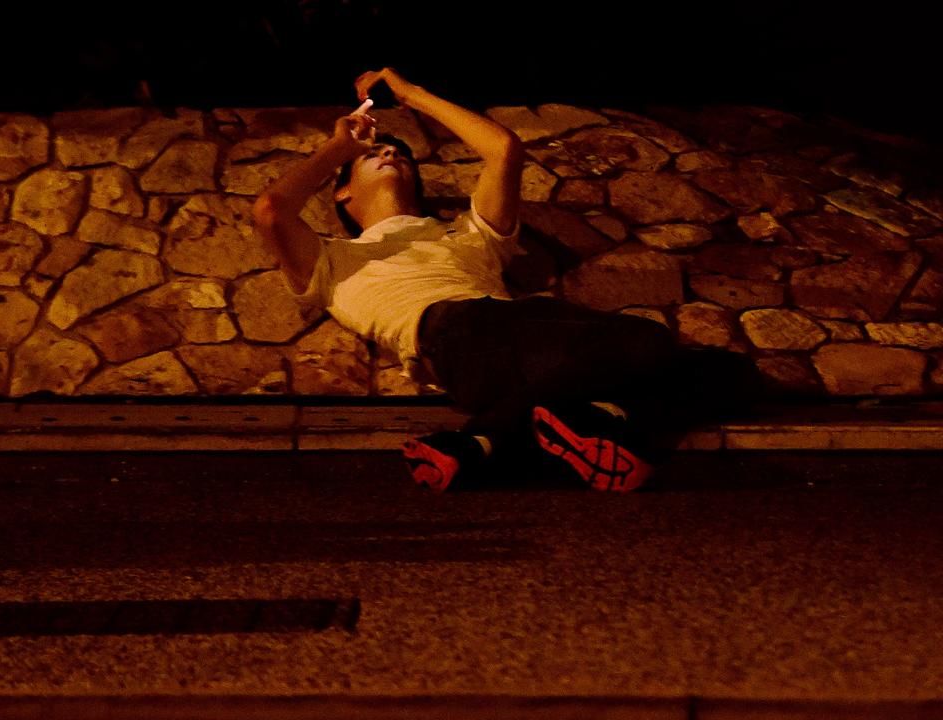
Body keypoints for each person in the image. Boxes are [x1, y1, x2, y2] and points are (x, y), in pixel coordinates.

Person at [251, 68, 760, 493]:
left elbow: (502, 148)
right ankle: (560, 426)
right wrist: (341, 148)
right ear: (341, 195)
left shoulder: (467, 233)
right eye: (374, 155)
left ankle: (486, 444)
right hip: (455, 335)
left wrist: (412, 95)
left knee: (728, 371)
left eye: (401, 154)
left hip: (509, 356)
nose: (391, 154)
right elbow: (272, 211)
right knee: (645, 340)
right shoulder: (333, 257)